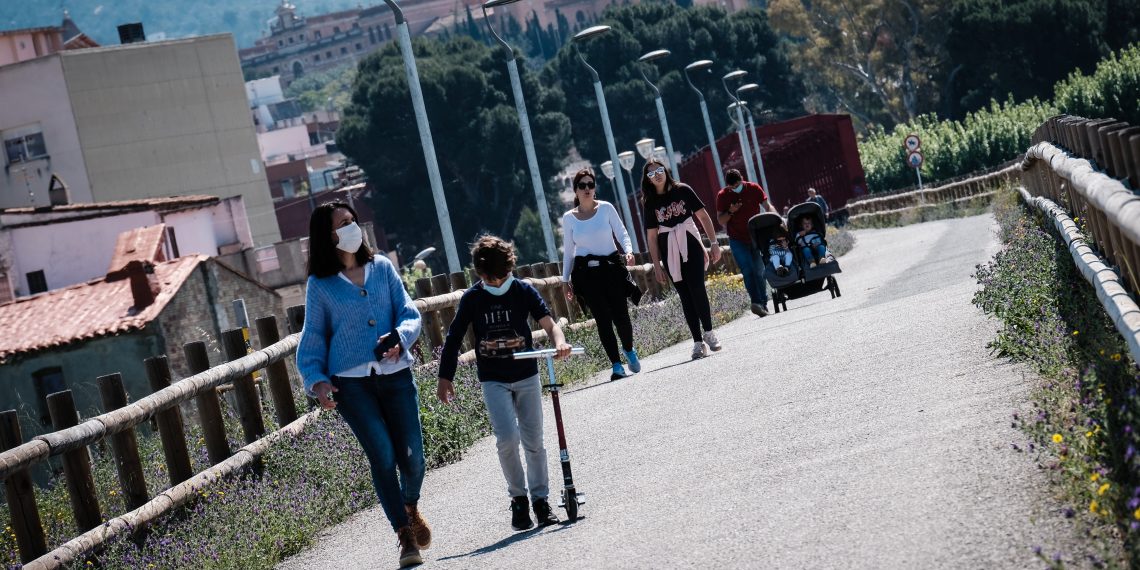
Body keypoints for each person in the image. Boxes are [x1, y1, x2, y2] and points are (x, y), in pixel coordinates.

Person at [296, 202, 430, 568]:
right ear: (328, 235)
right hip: (352, 387)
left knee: (414, 458)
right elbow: (313, 341)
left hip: (397, 375)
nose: (353, 226)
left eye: (353, 220)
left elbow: (408, 312)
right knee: (383, 456)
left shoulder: (382, 267)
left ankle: (410, 504)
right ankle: (404, 535)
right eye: (343, 223)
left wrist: (400, 337)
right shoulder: (320, 286)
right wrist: (318, 383)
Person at [436, 235, 572, 531]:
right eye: (490, 279)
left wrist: (559, 343)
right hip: (493, 379)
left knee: (533, 440)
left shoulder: (522, 290)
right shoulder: (473, 298)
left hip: (526, 375)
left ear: (510, 268)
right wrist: (445, 377)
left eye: (501, 277)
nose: (497, 283)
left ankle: (540, 500)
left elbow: (549, 324)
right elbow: (454, 337)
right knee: (507, 438)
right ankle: (519, 499)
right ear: (480, 274)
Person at [561, 168, 641, 381]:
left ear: (594, 188)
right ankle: (616, 366)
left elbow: (621, 231)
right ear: (575, 191)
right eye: (582, 185)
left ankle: (629, 349)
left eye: (590, 185)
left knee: (621, 317)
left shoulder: (606, 208)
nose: (587, 189)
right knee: (603, 320)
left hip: (612, 269)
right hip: (587, 275)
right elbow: (569, 251)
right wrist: (564, 280)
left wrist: (629, 250)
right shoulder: (569, 218)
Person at [642, 160, 724, 360]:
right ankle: (697, 342)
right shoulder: (650, 202)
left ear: (666, 171)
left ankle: (709, 332)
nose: (657, 175)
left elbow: (704, 217)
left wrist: (714, 243)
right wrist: (657, 265)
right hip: (669, 248)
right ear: (648, 179)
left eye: (660, 170)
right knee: (685, 295)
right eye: (652, 173)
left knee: (697, 288)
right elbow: (652, 237)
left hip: (691, 242)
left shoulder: (683, 190)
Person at [715, 168, 777, 317]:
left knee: (759, 271)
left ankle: (763, 302)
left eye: (737, 185)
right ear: (727, 186)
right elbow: (720, 220)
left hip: (755, 236)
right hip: (737, 239)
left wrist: (776, 219)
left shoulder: (754, 188)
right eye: (732, 187)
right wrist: (731, 211)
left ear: (742, 179)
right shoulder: (722, 196)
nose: (735, 189)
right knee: (747, 271)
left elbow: (768, 206)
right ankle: (756, 303)